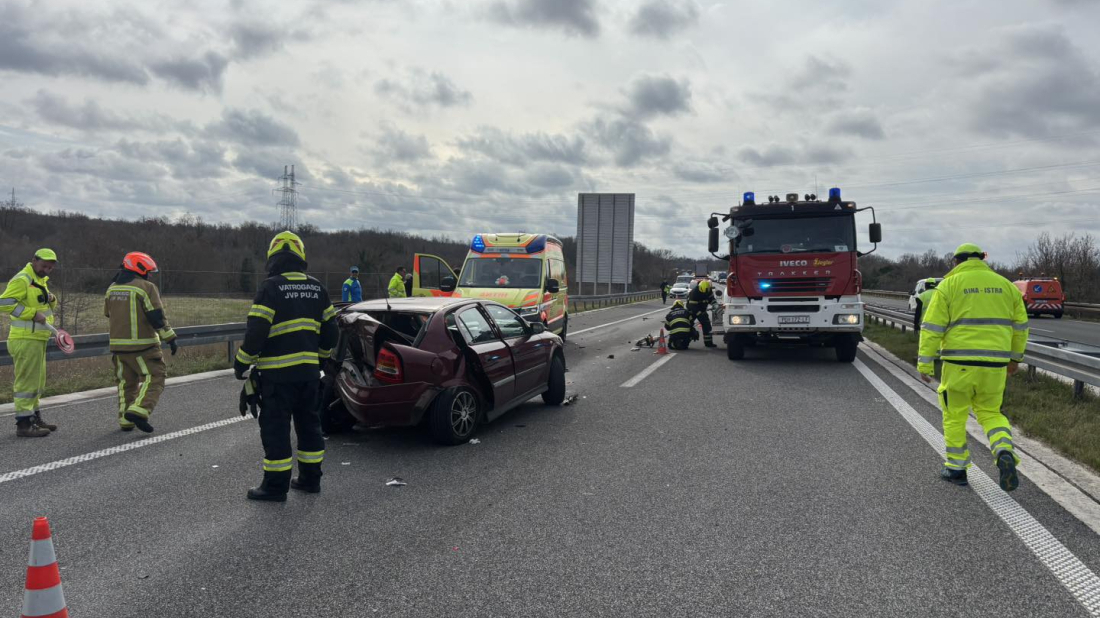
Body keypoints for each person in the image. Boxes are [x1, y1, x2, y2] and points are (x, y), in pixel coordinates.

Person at [234, 231, 338, 502]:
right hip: (308, 375)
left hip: (277, 378)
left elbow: (256, 332)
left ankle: (275, 487)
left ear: (273, 258)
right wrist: (320, 358)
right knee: (310, 426)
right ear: (300, 257)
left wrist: (241, 363)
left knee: (276, 430)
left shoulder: (270, 287)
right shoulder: (317, 288)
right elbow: (331, 332)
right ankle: (310, 479)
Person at [918, 243, 1028, 491]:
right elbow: (1021, 327)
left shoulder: (949, 285)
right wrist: (1014, 359)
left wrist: (925, 363)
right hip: (995, 365)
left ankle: (956, 469)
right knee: (991, 413)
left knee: (954, 415)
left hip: (959, 364)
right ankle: (1003, 449)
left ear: (957, 262)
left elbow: (932, 326)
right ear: (982, 260)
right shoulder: (1006, 286)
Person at [104, 252, 178, 433]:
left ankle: (125, 420)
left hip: (118, 347)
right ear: (140, 268)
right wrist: (169, 337)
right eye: (148, 271)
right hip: (143, 346)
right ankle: (140, 410)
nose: (150, 275)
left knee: (125, 383)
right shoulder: (146, 287)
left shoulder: (111, 288)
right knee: (155, 377)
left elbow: (107, 313)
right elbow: (156, 316)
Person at [1, 249, 60, 437]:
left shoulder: (39, 280)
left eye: (50, 267)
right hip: (25, 338)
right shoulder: (23, 279)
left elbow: (44, 305)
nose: (47, 270)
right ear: (34, 261)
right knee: (26, 384)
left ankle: (35, 418)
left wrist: (52, 299)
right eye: (44, 266)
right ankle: (24, 424)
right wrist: (32, 314)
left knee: (36, 382)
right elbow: (4, 303)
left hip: (37, 338)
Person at [687, 279, 717, 348]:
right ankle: (685, 339)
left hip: (702, 309)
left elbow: (711, 299)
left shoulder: (708, 290)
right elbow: (692, 306)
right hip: (692, 310)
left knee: (707, 325)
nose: (704, 294)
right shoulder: (694, 293)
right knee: (688, 323)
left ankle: (708, 343)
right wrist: (699, 313)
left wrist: (715, 304)